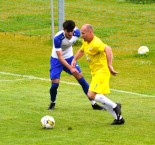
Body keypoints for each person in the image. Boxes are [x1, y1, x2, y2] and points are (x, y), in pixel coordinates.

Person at [72, 24, 125, 125]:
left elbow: (108, 49)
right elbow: (82, 50)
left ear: (90, 32)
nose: (81, 36)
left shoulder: (96, 43)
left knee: (91, 95)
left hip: (102, 72)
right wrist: (74, 59)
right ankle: (119, 118)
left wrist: (110, 65)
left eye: (83, 33)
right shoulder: (86, 41)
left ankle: (115, 106)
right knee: (102, 99)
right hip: (95, 73)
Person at [48, 20, 104, 110]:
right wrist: (70, 68)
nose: (70, 34)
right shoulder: (57, 38)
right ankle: (52, 102)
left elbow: (86, 40)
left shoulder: (77, 33)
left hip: (70, 58)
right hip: (57, 59)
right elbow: (60, 56)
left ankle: (94, 104)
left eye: (71, 31)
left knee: (80, 78)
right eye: (68, 31)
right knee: (55, 84)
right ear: (64, 30)